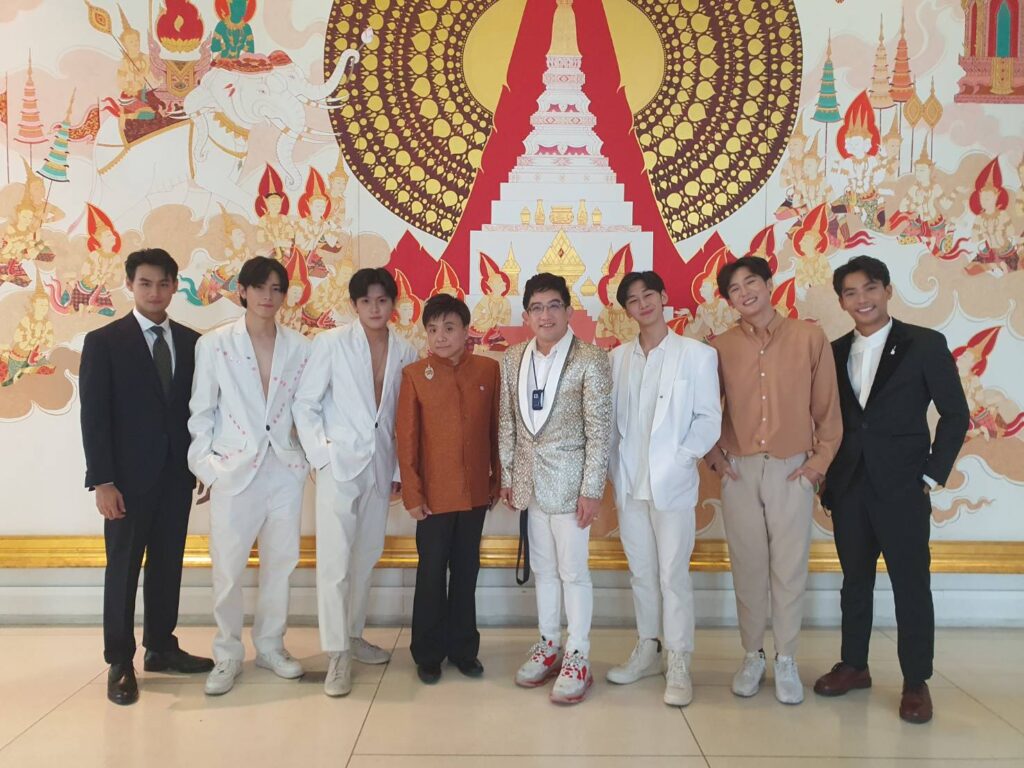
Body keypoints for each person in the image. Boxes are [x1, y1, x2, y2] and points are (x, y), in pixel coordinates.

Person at [814, 255, 969, 724]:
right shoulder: (833, 352)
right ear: (841, 301)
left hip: (904, 487)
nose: (862, 299)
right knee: (854, 582)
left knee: (911, 584)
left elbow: (955, 414)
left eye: (869, 288)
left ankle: (916, 680)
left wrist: (930, 476)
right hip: (849, 486)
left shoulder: (924, 344)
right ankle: (854, 665)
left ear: (886, 290)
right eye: (851, 293)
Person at [704, 256, 842, 705]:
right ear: (728, 300)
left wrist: (817, 464)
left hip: (791, 469)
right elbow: (703, 410)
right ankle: (752, 655)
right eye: (734, 289)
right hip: (740, 469)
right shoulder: (720, 347)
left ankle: (786, 658)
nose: (745, 293)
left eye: (751, 283)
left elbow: (828, 410)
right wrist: (714, 457)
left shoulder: (809, 338)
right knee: (747, 567)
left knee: (789, 567)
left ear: (768, 284)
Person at [79, 248, 213, 706]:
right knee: (123, 568)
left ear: (175, 286)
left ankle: (161, 646)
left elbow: (200, 411)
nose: (155, 292)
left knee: (167, 563)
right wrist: (103, 481)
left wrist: (202, 466)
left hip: (176, 475)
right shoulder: (105, 342)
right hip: (125, 482)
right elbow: (94, 417)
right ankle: (120, 659)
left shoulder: (194, 343)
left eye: (163, 283)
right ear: (130, 285)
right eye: (145, 283)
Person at [187, 256, 312, 695]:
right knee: (228, 567)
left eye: (277, 289)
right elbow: (201, 412)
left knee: (281, 563)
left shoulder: (300, 347)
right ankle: (227, 653)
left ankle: (271, 645)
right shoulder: (214, 344)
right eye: (259, 287)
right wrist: (208, 469)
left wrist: (307, 459)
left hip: (284, 469)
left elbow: (306, 408)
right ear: (242, 291)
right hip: (233, 469)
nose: (268, 296)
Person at [293, 267, 418, 697]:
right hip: (339, 466)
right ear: (354, 305)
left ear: (393, 304)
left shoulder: (406, 350)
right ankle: (336, 655)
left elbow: (403, 417)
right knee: (334, 562)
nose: (375, 308)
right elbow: (305, 404)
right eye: (366, 301)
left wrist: (398, 471)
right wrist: (322, 455)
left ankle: (353, 635)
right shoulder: (330, 343)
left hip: (380, 467)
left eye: (382, 300)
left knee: (365, 557)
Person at [606, 271, 722, 707]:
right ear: (627, 310)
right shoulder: (617, 359)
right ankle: (647, 647)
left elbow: (708, 418)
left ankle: (679, 659)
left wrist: (681, 458)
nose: (643, 304)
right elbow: (611, 423)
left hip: (672, 485)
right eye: (633, 300)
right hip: (630, 484)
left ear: (663, 296)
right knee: (641, 572)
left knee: (673, 574)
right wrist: (615, 469)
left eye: (648, 295)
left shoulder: (696, 355)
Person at [499, 272, 612, 705]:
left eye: (553, 306)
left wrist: (591, 489)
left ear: (568, 311)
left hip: (571, 487)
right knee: (544, 569)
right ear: (526, 315)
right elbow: (508, 422)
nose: (545, 315)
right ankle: (548, 644)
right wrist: (508, 476)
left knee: (573, 572)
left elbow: (599, 432)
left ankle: (578, 653)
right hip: (529, 483)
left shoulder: (590, 359)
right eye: (536, 308)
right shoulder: (513, 358)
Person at [396, 294, 500, 684]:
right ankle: (427, 653)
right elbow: (406, 440)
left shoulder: (488, 370)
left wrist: (497, 480)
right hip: (433, 498)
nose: (440, 337)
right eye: (433, 329)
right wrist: (413, 494)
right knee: (431, 572)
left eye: (449, 328)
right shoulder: (414, 375)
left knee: (466, 570)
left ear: (466, 330)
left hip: (475, 493)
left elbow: (496, 430)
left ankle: (463, 649)